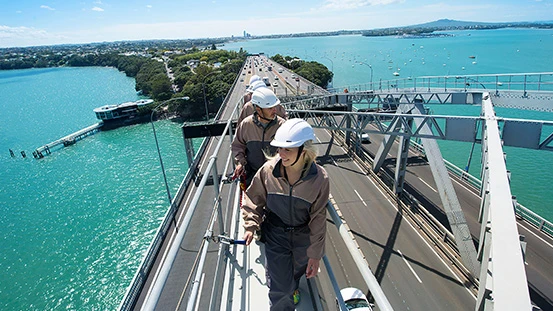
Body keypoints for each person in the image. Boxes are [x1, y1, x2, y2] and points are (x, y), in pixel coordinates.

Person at [242, 118, 329, 310]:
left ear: (304, 150)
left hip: (302, 238)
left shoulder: (320, 179)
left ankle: (288, 284)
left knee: (296, 273)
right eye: (279, 148)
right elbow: (253, 199)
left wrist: (315, 255)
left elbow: (318, 218)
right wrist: (250, 225)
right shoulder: (268, 171)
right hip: (276, 234)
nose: (281, 154)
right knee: (281, 289)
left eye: (287, 149)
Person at [232, 88, 285, 187]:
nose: (274, 110)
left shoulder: (282, 125)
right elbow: (238, 145)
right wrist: (240, 163)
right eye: (270, 108)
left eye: (274, 107)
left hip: (276, 178)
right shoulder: (246, 125)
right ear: (258, 109)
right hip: (252, 175)